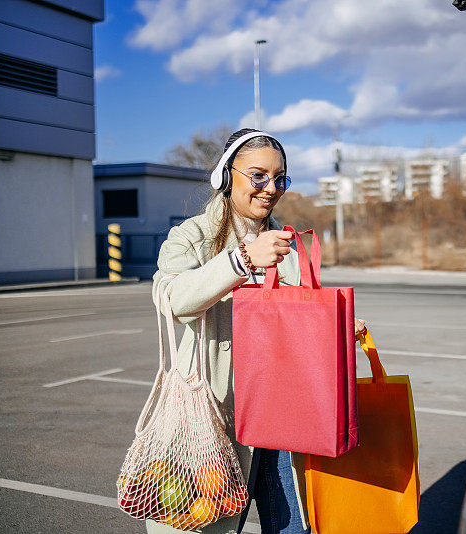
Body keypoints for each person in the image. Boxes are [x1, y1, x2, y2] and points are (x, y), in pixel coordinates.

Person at [148, 128, 366, 534]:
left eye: (280, 178)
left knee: (294, 528)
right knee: (204, 526)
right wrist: (241, 259)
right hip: (217, 412)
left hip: (287, 416)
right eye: (258, 176)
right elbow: (173, 299)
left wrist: (333, 327)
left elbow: (295, 322)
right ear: (226, 176)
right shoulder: (190, 237)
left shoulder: (288, 245)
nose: (271, 188)